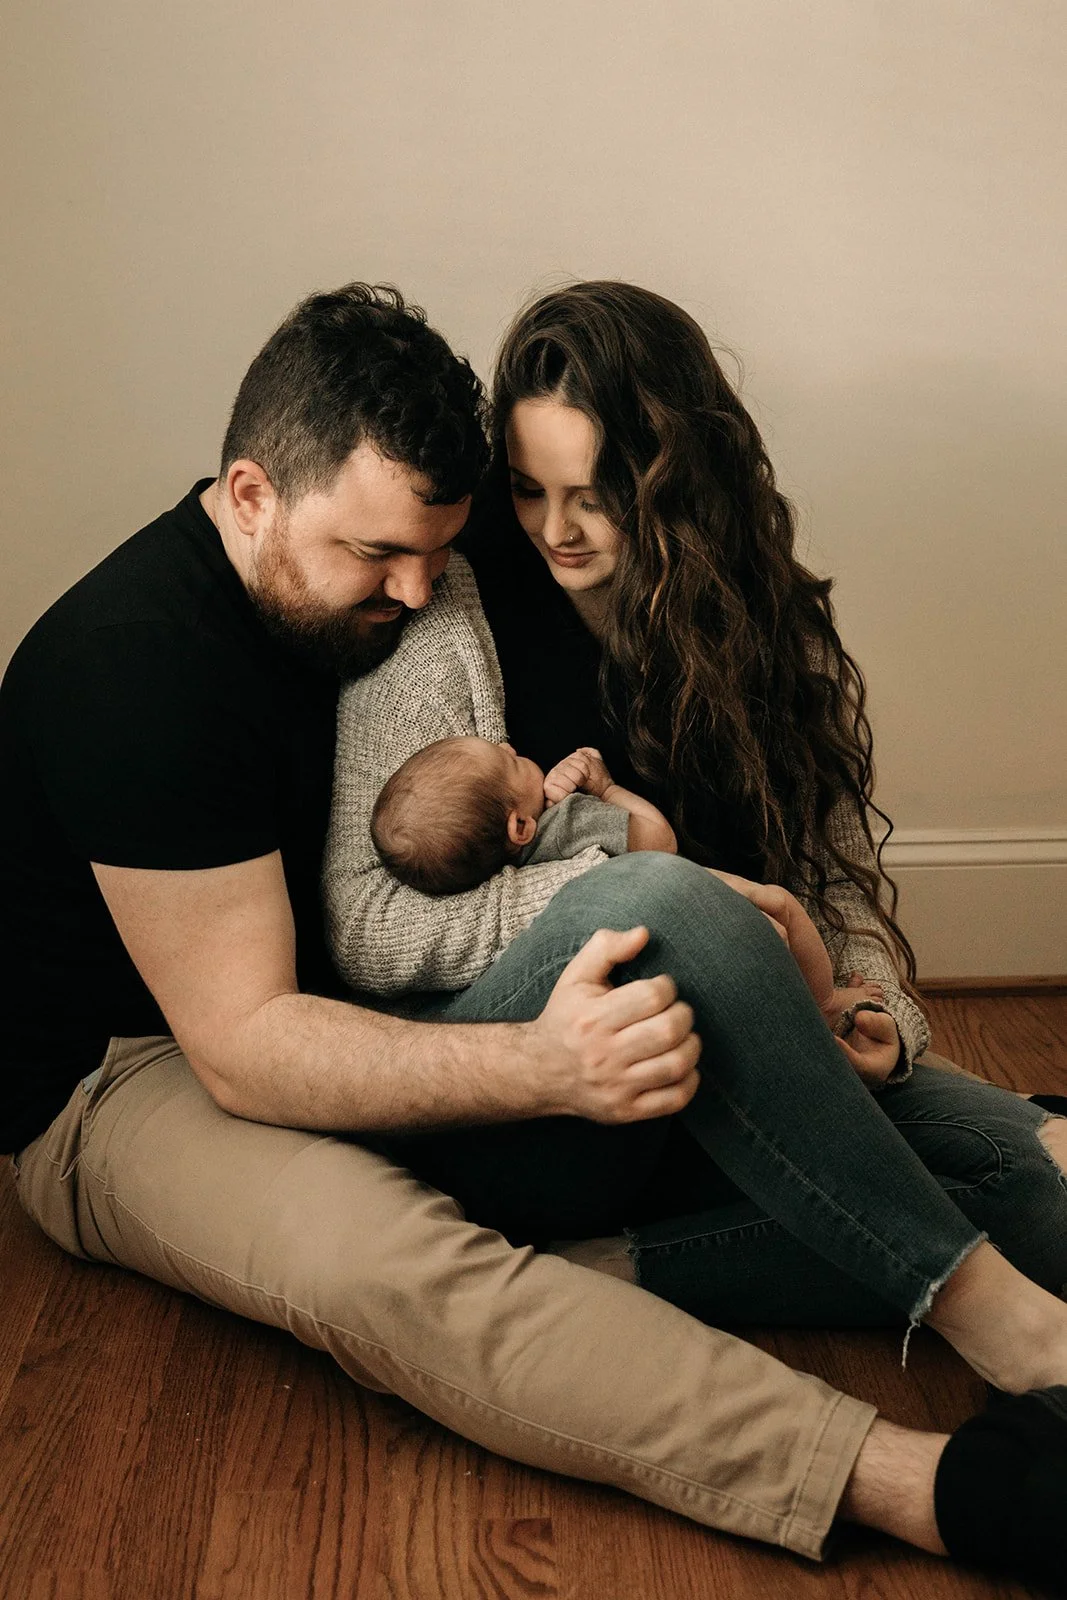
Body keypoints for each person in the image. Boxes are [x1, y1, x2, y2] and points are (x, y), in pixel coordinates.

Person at [1, 281, 1065, 1594]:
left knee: (1022, 1161)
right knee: (386, 1264)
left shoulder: (406, 592)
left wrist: (864, 1023)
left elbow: (801, 875)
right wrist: (550, 1066)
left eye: (436, 549)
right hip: (126, 1069)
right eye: (378, 555)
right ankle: (932, 1484)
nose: (417, 585)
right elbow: (247, 1045)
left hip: (340, 1008)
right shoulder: (134, 669)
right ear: (251, 491)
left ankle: (677, 1253)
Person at [370, 735, 676, 893]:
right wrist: (605, 788)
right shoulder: (568, 825)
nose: (507, 747)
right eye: (511, 764)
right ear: (520, 827)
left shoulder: (496, 871)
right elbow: (663, 843)